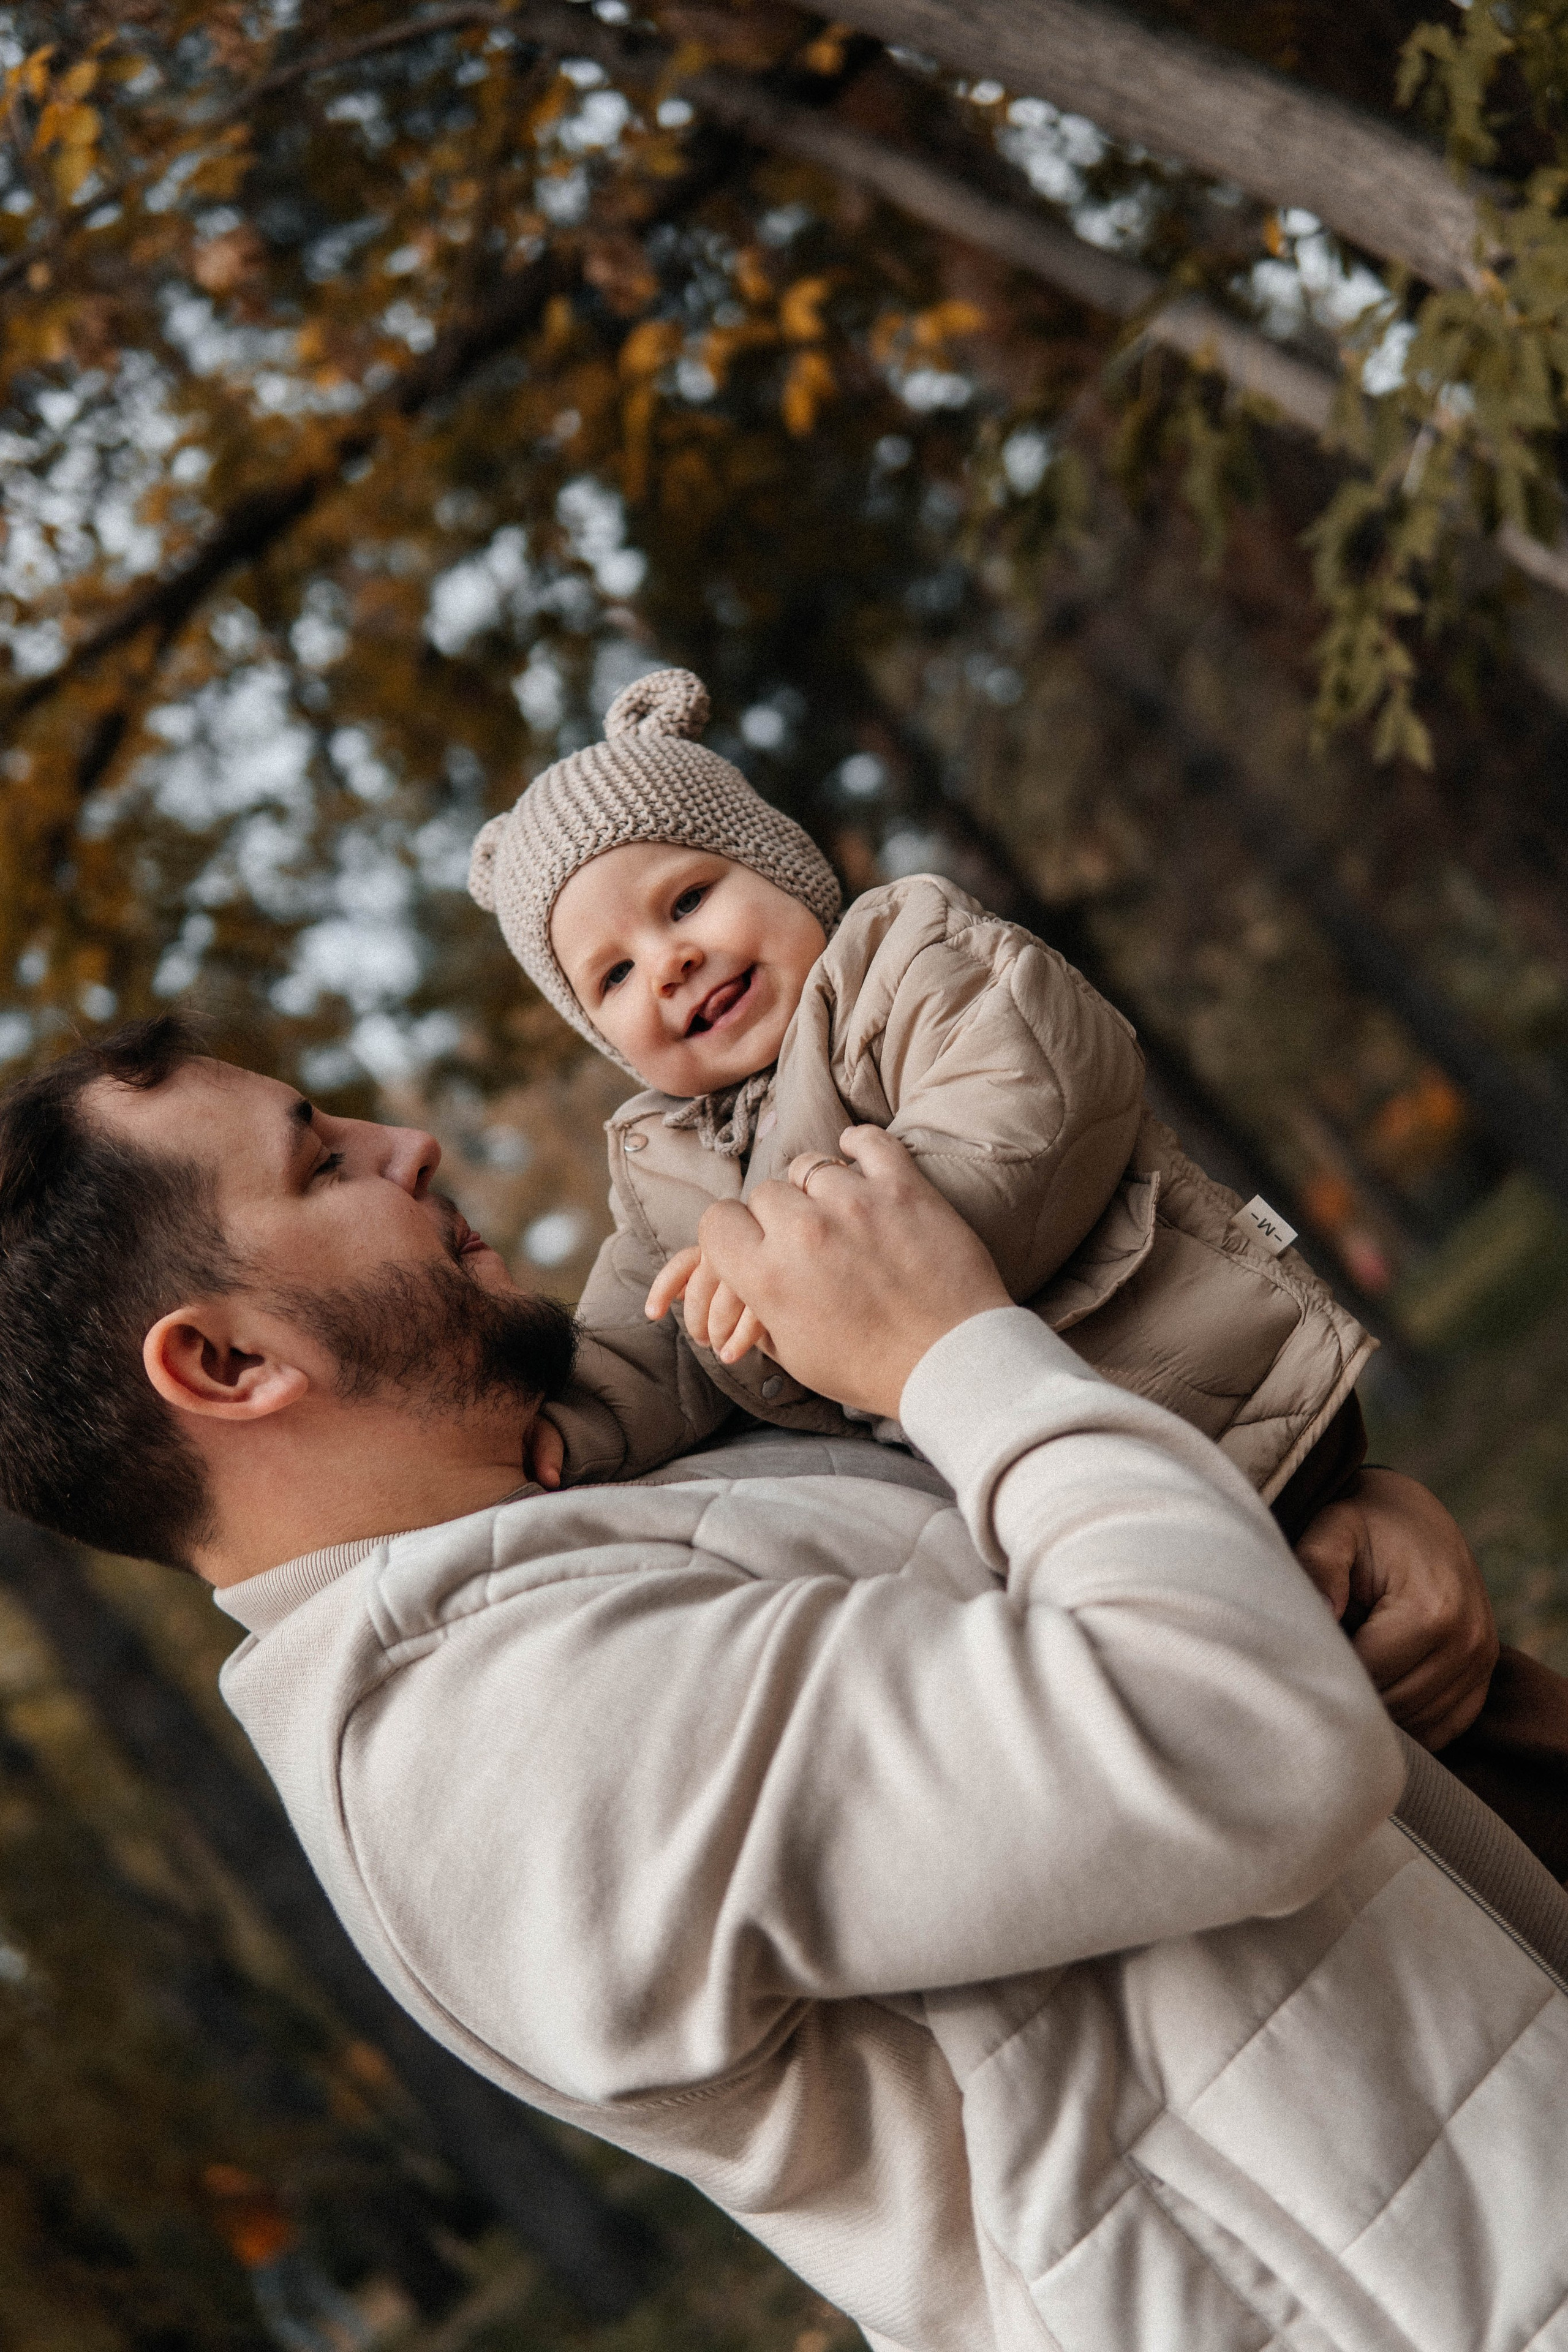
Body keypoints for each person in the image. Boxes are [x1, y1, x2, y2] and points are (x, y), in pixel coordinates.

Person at [0, 1019, 1564, 2352]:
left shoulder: (600, 1512)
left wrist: (1333, 1531)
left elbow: (1123, 1601)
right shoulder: (492, 1744)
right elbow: (1233, 1744)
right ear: (225, 1365)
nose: (408, 1144)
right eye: (321, 1162)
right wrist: (950, 1345)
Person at [469, 666, 1507, 1757]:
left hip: (1214, 1406)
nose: (670, 962)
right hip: (1056, 1519)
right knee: (1312, 1747)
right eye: (613, 976)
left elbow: (1026, 1119)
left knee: (1450, 1720)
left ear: (777, 863)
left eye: (687, 901)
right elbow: (645, 1343)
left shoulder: (907, 957)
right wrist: (560, 1432)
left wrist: (805, 1261)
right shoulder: (662, 1171)